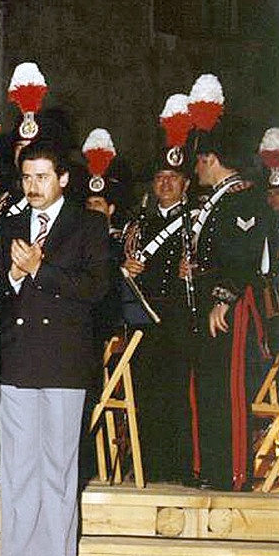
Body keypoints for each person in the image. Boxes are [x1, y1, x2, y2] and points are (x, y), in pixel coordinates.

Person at [0, 139, 110, 556]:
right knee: (17, 471)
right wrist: (16, 277)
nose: (32, 186)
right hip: (17, 361)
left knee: (58, 472)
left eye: (42, 177)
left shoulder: (90, 225)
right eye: (26, 177)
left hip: (63, 363)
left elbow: (96, 288)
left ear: (63, 179)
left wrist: (40, 269)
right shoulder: (11, 224)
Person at [186, 131, 265, 489]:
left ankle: (233, 473)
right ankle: (212, 468)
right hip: (208, 299)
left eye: (198, 161)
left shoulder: (243, 196)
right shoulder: (215, 199)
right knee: (209, 384)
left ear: (210, 159)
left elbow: (243, 255)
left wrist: (224, 297)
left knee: (229, 385)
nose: (195, 170)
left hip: (231, 303)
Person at [121, 160, 190, 483]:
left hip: (179, 320)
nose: (165, 184)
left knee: (177, 393)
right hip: (144, 319)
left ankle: (178, 466)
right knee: (145, 393)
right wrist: (128, 268)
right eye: (159, 177)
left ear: (185, 183)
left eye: (172, 177)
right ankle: (147, 464)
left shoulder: (195, 222)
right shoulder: (140, 224)